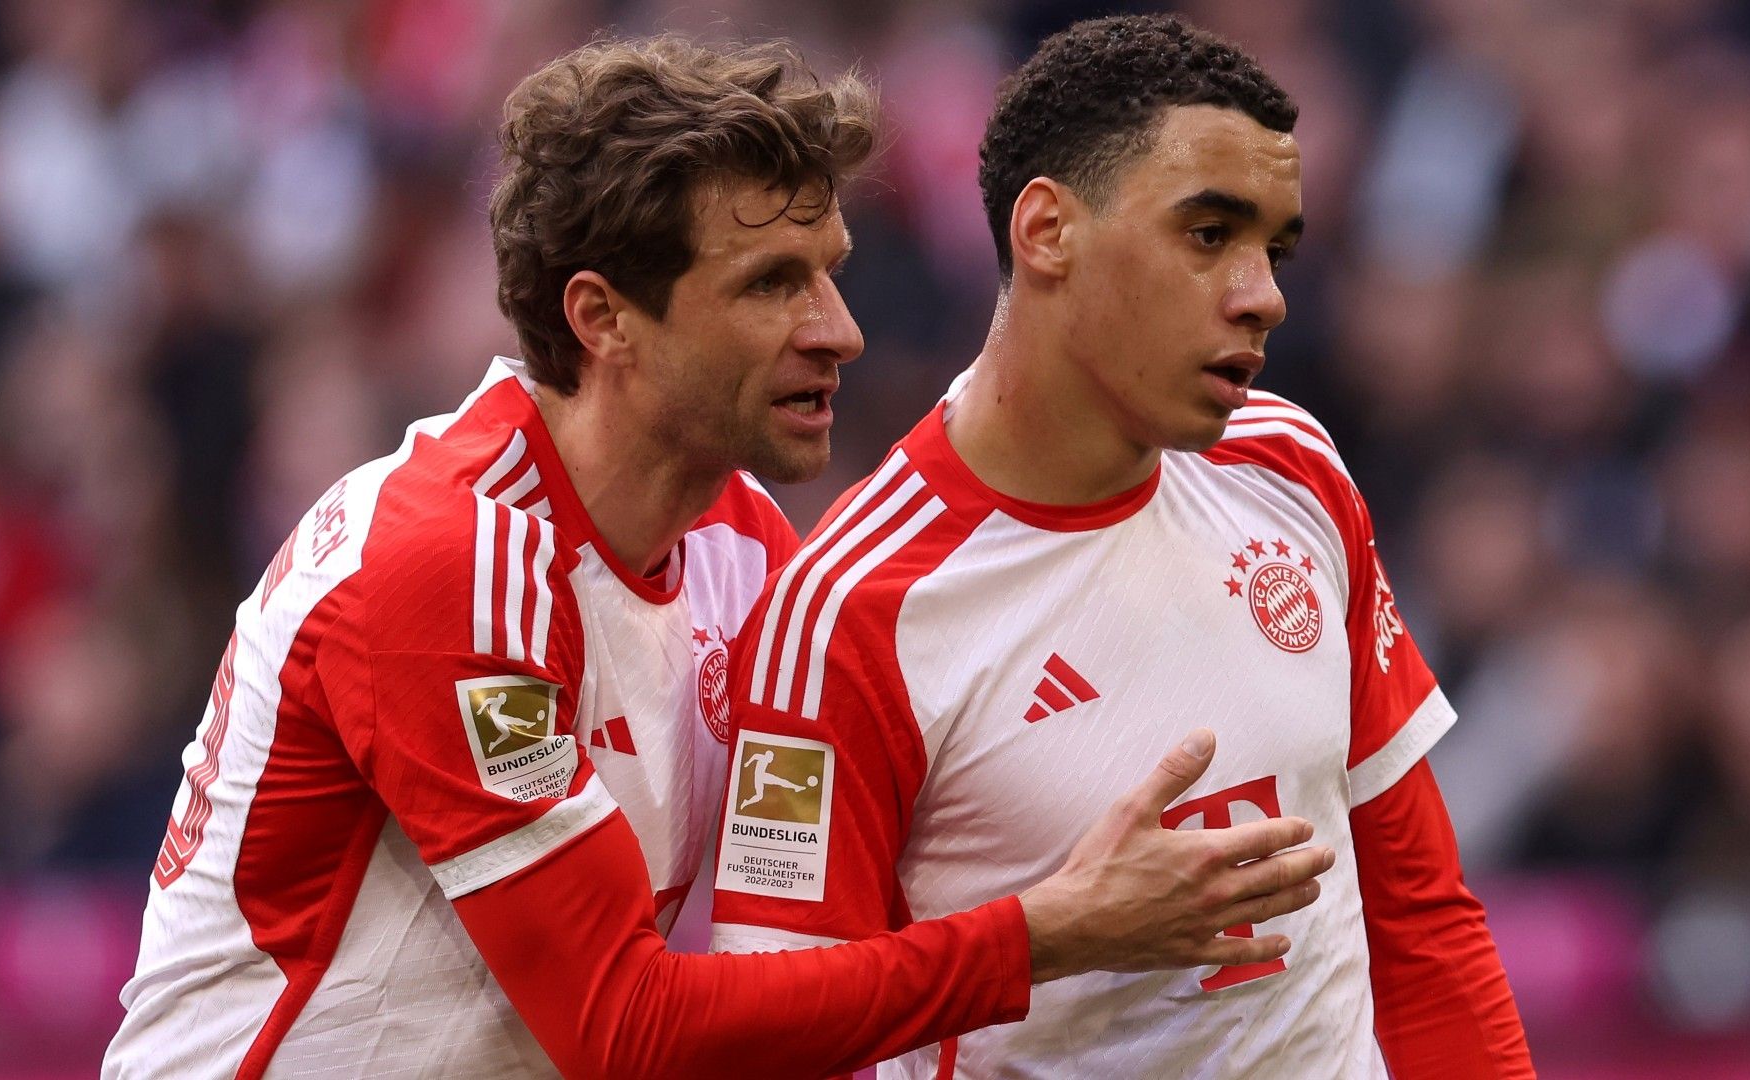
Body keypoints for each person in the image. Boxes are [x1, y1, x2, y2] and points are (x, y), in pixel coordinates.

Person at [103, 32, 1334, 1080]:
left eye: (833, 275)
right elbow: (623, 1025)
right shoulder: (452, 568)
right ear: (602, 319)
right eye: (771, 285)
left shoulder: (748, 550)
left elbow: (805, 938)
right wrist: (1047, 935)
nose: (840, 331)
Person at [712, 15, 1535, 1078]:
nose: (1265, 294)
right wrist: (1045, 937)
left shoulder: (1291, 470)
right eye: (1208, 236)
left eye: (1273, 249)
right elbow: (775, 1035)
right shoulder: (850, 610)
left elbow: (1419, 915)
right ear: (1048, 230)